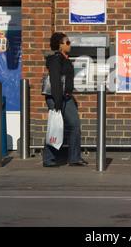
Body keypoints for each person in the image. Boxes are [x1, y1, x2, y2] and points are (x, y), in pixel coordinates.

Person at [43, 32, 88, 167]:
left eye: (69, 42)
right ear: (59, 45)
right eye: (67, 42)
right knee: (55, 126)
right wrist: (57, 101)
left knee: (75, 124)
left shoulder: (64, 58)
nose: (70, 45)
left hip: (66, 97)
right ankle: (48, 159)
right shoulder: (56, 59)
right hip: (57, 98)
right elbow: (55, 80)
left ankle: (74, 158)